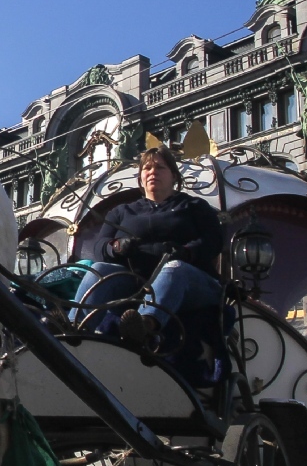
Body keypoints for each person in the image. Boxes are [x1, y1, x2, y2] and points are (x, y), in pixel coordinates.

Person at [86, 147, 226, 352]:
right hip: (136, 284)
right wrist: (116, 247)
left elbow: (214, 240)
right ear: (141, 177)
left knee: (174, 268)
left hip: (190, 283)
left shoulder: (194, 206)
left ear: (174, 176)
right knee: (99, 269)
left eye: (160, 167)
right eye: (147, 168)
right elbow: (100, 247)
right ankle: (74, 327)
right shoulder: (121, 212)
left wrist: (187, 252)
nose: (153, 172)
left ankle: (144, 326)